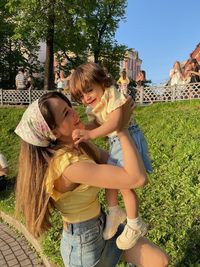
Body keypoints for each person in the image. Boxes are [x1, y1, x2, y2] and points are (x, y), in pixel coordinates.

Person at [14, 92, 169, 267]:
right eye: (65, 113)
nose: (74, 112)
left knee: (159, 261)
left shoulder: (78, 145)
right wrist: (121, 128)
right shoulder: (68, 167)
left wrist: (116, 112)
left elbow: (115, 162)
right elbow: (136, 178)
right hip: (83, 247)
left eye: (69, 107)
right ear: (53, 132)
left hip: (103, 226)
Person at [69, 62, 153, 250]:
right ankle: (114, 211)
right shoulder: (94, 106)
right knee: (111, 179)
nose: (86, 98)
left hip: (128, 138)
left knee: (124, 185)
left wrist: (90, 135)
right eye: (81, 96)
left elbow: (115, 122)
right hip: (116, 142)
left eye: (89, 90)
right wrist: (84, 128)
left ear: (101, 82)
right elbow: (98, 124)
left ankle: (134, 223)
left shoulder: (111, 94)